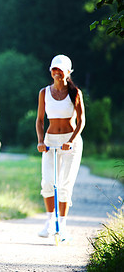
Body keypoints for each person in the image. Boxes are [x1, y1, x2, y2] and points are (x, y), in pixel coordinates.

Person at [35, 54, 85, 241]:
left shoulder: (75, 93)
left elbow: (81, 121)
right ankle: (49, 221)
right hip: (50, 141)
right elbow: (40, 120)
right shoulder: (44, 93)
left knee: (64, 184)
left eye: (60, 70)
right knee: (48, 182)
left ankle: (62, 224)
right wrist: (41, 141)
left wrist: (71, 140)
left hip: (70, 142)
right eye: (54, 69)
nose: (56, 73)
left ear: (68, 72)